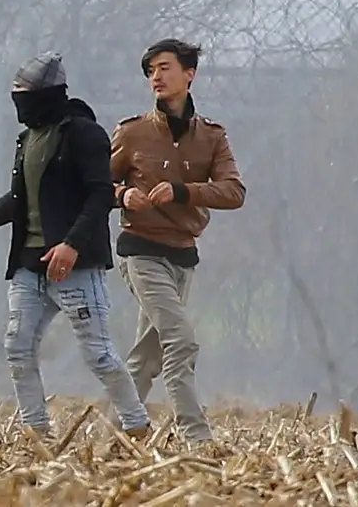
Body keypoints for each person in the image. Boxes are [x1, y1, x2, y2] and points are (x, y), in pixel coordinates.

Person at [0, 52, 151, 438]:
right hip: (29, 266)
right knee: (17, 347)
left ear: (46, 93)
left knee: (99, 355)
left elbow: (101, 194)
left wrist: (71, 245)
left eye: (23, 91)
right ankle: (36, 431)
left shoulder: (84, 134)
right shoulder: (27, 140)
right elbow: (16, 201)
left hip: (76, 268)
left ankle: (136, 425)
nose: (17, 98)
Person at [109, 39, 245, 445]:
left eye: (164, 67)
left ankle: (117, 437)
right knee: (180, 341)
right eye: (150, 70)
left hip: (184, 255)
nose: (156, 77)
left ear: (190, 74)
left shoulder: (212, 137)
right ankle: (197, 438)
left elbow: (234, 192)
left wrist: (183, 191)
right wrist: (122, 195)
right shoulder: (132, 133)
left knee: (147, 357)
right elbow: (94, 185)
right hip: (140, 250)